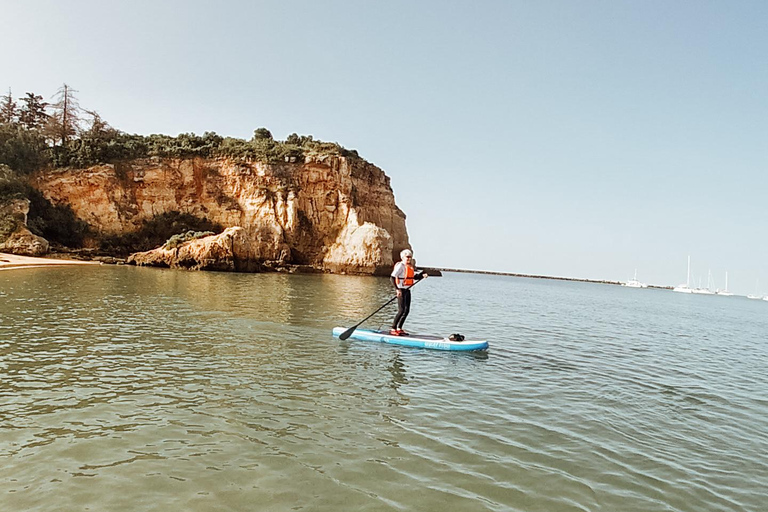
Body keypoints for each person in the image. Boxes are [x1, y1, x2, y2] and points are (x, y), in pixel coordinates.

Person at [390, 249, 427, 335]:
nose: (409, 259)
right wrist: (397, 289)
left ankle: (399, 328)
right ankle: (393, 328)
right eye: (407, 257)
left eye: (410, 257)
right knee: (401, 310)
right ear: (403, 257)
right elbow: (392, 278)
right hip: (401, 290)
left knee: (407, 310)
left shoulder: (410, 267)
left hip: (407, 290)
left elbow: (414, 277)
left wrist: (422, 275)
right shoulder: (400, 266)